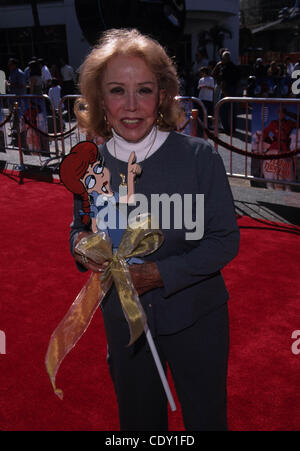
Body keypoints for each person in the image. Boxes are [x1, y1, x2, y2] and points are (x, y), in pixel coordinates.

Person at [69, 28, 240, 431]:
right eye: (116, 91)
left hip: (198, 318)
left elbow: (225, 240)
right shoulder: (87, 163)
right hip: (125, 324)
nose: (131, 106)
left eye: (143, 90)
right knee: (138, 424)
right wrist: (81, 246)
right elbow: (78, 226)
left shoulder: (200, 158)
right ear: (98, 98)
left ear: (161, 95)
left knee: (206, 420)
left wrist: (162, 273)